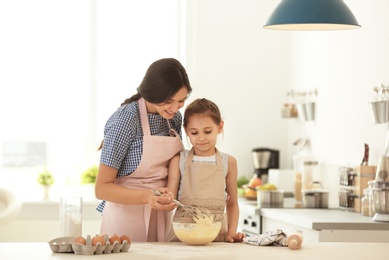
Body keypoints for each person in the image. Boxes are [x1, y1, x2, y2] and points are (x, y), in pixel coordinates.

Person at [94, 58, 192, 242]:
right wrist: (147, 197)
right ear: (151, 93)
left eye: (181, 101)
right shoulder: (125, 121)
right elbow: (101, 189)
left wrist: (169, 193)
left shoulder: (173, 118)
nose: (174, 108)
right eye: (169, 101)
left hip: (160, 212)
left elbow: (174, 159)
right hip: (125, 218)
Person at [167, 98, 245, 243]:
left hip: (216, 230)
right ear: (186, 131)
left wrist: (231, 233)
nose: (201, 138)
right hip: (183, 230)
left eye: (208, 131)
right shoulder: (178, 161)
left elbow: (233, 203)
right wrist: (166, 200)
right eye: (194, 133)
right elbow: (169, 201)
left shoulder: (229, 162)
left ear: (220, 127)